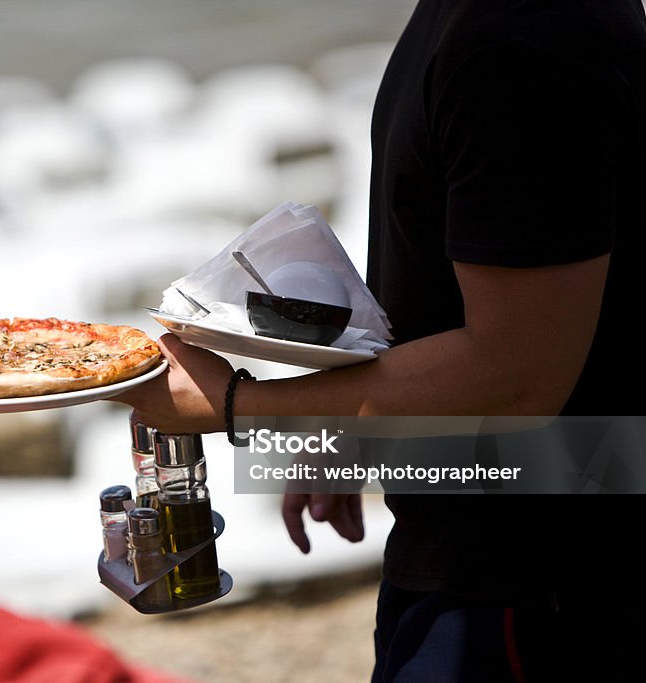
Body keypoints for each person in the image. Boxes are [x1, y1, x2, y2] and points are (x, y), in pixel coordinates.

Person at [118, 0, 646, 680]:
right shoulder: (472, 22)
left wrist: (236, 404)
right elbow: (459, 259)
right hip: (476, 554)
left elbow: (516, 375)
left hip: (537, 586)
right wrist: (348, 430)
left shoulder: (523, 35)